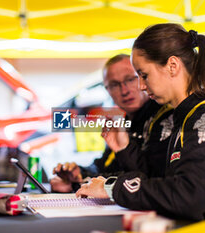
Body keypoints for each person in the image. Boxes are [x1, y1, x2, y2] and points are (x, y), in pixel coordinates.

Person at [76, 23, 205, 232]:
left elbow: (191, 195)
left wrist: (112, 188)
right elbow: (165, 184)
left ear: (173, 65)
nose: (141, 86)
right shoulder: (188, 116)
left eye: (143, 75)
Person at [51, 54, 173, 193]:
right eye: (115, 85)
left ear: (143, 78)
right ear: (107, 90)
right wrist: (79, 175)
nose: (124, 90)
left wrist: (83, 182)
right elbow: (105, 167)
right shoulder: (126, 122)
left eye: (130, 79)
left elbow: (149, 178)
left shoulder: (166, 117)